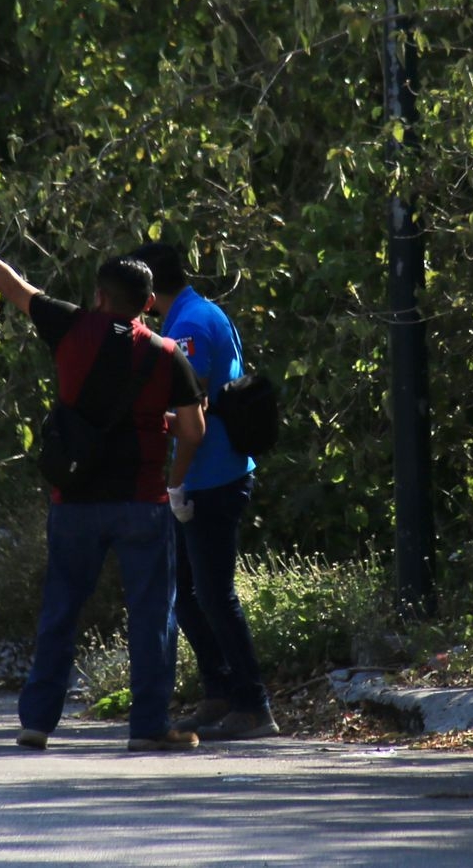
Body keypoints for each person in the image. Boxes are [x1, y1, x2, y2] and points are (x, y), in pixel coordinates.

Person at [0, 207, 205, 752]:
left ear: (99, 296)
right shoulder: (169, 356)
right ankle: (147, 727)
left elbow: (11, 283)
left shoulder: (71, 326)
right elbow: (192, 430)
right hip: (142, 500)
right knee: (151, 617)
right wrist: (173, 479)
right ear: (149, 304)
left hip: (74, 499)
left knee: (60, 609)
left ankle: (39, 721)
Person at [132, 241, 277, 740]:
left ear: (149, 293)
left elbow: (192, 420)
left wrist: (174, 484)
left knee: (214, 596)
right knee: (189, 598)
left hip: (210, 477)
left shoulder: (189, 328)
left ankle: (253, 705)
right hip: (206, 475)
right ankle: (219, 692)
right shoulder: (198, 312)